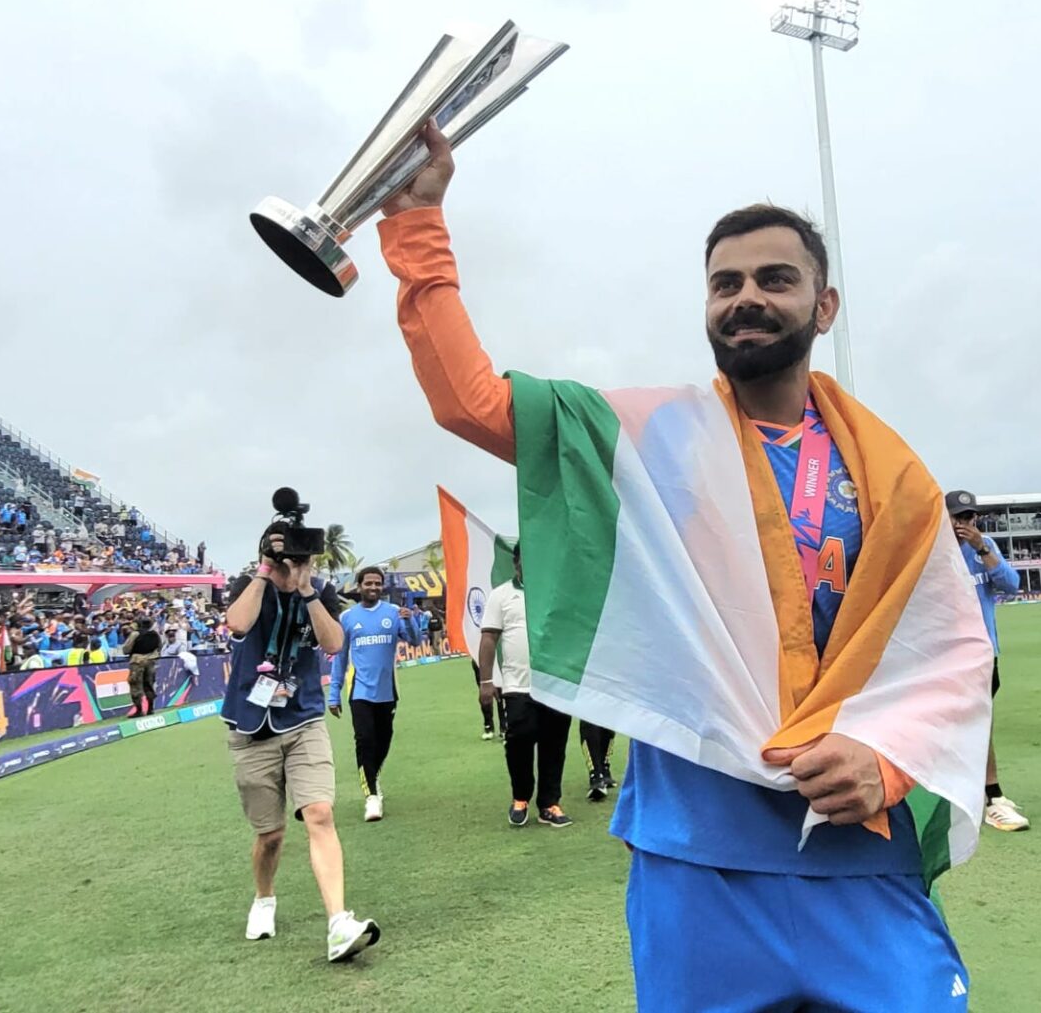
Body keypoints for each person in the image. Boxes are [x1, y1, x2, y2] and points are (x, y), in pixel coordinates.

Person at [379, 126, 984, 1009]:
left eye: (775, 279)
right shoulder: (653, 441)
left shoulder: (893, 476)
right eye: (725, 283)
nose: (747, 298)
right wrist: (418, 224)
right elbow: (471, 403)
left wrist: (887, 762)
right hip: (698, 857)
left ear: (825, 306)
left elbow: (952, 653)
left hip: (858, 849)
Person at [222, 526, 380, 962]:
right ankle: (264, 897)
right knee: (271, 835)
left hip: (303, 718)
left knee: (319, 813)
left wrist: (307, 589)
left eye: (298, 554)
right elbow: (238, 623)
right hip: (251, 726)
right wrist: (265, 571)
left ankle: (338, 923)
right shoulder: (248, 585)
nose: (292, 561)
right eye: (283, 554)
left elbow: (333, 643)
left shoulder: (321, 591)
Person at [945, 490, 1028, 832]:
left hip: (983, 651)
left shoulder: (985, 546)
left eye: (969, 517)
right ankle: (984, 796)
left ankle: (988, 795)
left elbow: (1011, 585)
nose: (964, 523)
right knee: (958, 723)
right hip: (948, 652)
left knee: (981, 722)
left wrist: (981, 547)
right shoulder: (934, 550)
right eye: (957, 516)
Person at [478, 544, 573, 829]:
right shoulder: (501, 594)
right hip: (517, 686)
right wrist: (486, 681)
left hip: (556, 684)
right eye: (524, 559)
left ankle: (549, 804)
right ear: (516, 562)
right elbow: (489, 638)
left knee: (554, 744)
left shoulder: (557, 591)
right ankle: (520, 798)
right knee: (519, 740)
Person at [329, 567, 403, 822]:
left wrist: (409, 620)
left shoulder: (393, 612)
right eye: (368, 583)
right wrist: (334, 694)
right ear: (359, 586)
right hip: (359, 690)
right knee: (365, 740)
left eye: (377, 583)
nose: (373, 587)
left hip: (387, 691)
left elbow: (415, 639)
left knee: (383, 740)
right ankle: (371, 796)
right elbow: (339, 657)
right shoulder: (348, 617)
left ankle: (373, 775)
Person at [125, 618, 162, 716]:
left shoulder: (135, 634)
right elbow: (160, 646)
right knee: (149, 684)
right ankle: (150, 708)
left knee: (135, 685)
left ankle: (139, 710)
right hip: (151, 661)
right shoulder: (155, 634)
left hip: (137, 662)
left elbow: (126, 649)